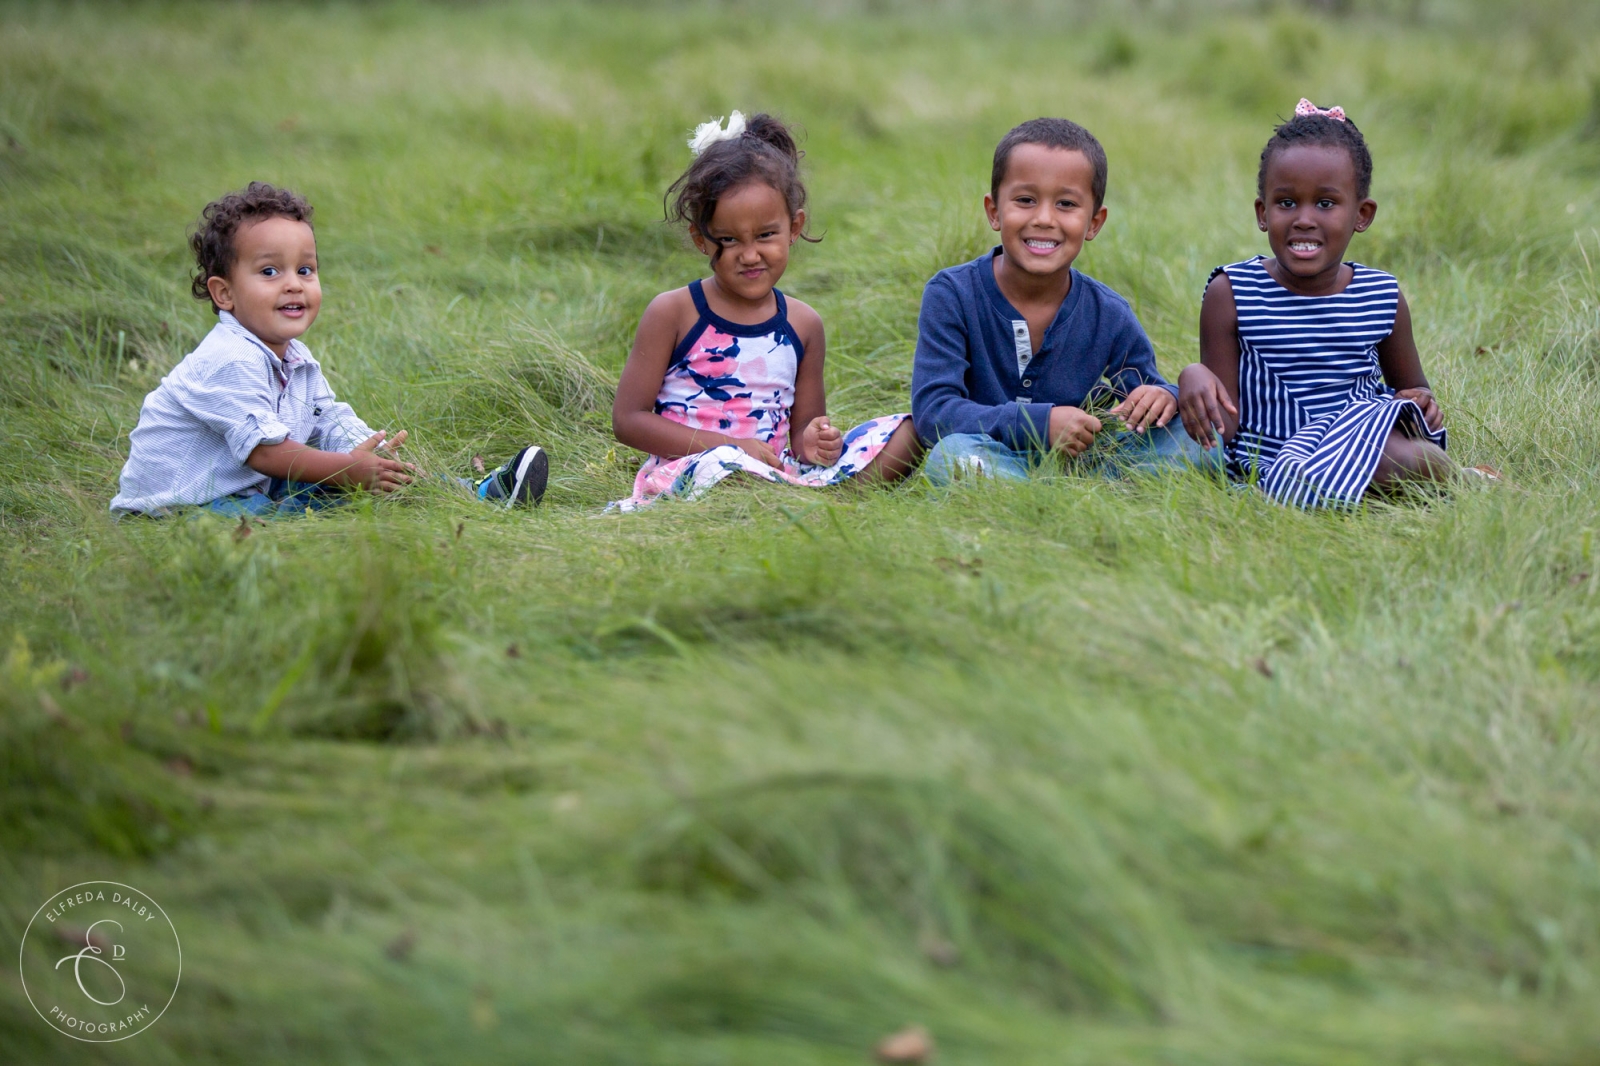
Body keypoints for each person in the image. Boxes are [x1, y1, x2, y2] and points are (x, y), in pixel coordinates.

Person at [111, 182, 547, 517]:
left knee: (363, 481)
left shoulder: (295, 357)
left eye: (305, 269)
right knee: (315, 503)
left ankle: (466, 492)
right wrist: (348, 470)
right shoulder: (228, 358)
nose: (293, 283)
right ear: (224, 294)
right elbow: (267, 452)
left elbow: (326, 419)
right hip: (175, 509)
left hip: (245, 488)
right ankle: (436, 500)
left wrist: (367, 451)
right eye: (269, 270)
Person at [1177, 100, 1488, 508]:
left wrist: (1420, 401)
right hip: (1274, 462)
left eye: (1325, 204)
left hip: (1366, 443)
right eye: (1286, 203)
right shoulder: (1232, 291)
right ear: (1262, 212)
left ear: (1362, 214)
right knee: (1381, 467)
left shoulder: (1381, 296)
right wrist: (1194, 377)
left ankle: (1455, 481)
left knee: (1398, 458)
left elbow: (1413, 394)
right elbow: (1226, 427)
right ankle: (1438, 481)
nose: (1304, 219)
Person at [610, 111, 920, 511]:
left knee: (909, 429)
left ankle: (822, 501)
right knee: (725, 464)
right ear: (701, 239)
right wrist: (731, 447)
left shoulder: (803, 324)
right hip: (695, 472)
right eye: (729, 239)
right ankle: (800, 506)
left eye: (766, 235)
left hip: (777, 473)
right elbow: (628, 420)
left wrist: (814, 442)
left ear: (794, 227)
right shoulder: (674, 312)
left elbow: (802, 437)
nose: (750, 254)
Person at [911, 117, 1214, 484]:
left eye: (1066, 204)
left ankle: (1076, 493)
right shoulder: (952, 294)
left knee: (1198, 442)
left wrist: (1162, 395)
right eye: (1025, 200)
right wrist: (1039, 424)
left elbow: (1145, 388)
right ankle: (1050, 497)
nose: (1043, 219)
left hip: (1087, 463)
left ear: (1094, 223)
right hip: (987, 454)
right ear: (994, 211)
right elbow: (934, 412)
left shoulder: (1109, 313)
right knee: (951, 459)